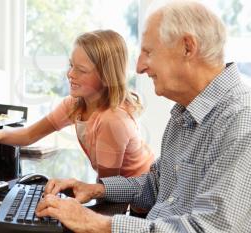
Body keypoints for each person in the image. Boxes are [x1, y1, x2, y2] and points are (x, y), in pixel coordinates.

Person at [35, 1, 251, 232]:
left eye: (148, 52)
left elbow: (207, 229)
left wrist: (95, 223)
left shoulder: (240, 120)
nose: (139, 67)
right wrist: (96, 189)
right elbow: (156, 185)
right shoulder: (184, 114)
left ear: (187, 48)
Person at [0, 30, 154, 179]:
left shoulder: (112, 119)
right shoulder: (76, 105)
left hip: (142, 200)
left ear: (106, 77)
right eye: (71, 65)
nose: (70, 74)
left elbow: (107, 189)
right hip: (119, 192)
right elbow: (29, 135)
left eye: (81, 70)